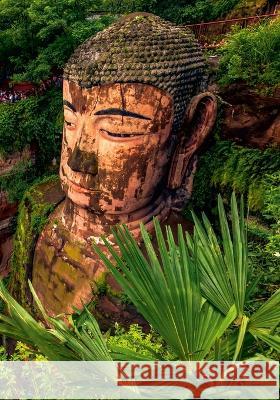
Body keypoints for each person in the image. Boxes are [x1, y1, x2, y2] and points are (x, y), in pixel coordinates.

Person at [30, 13, 217, 315]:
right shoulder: (38, 207)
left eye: (118, 131)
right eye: (69, 121)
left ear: (192, 131)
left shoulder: (183, 265)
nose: (78, 160)